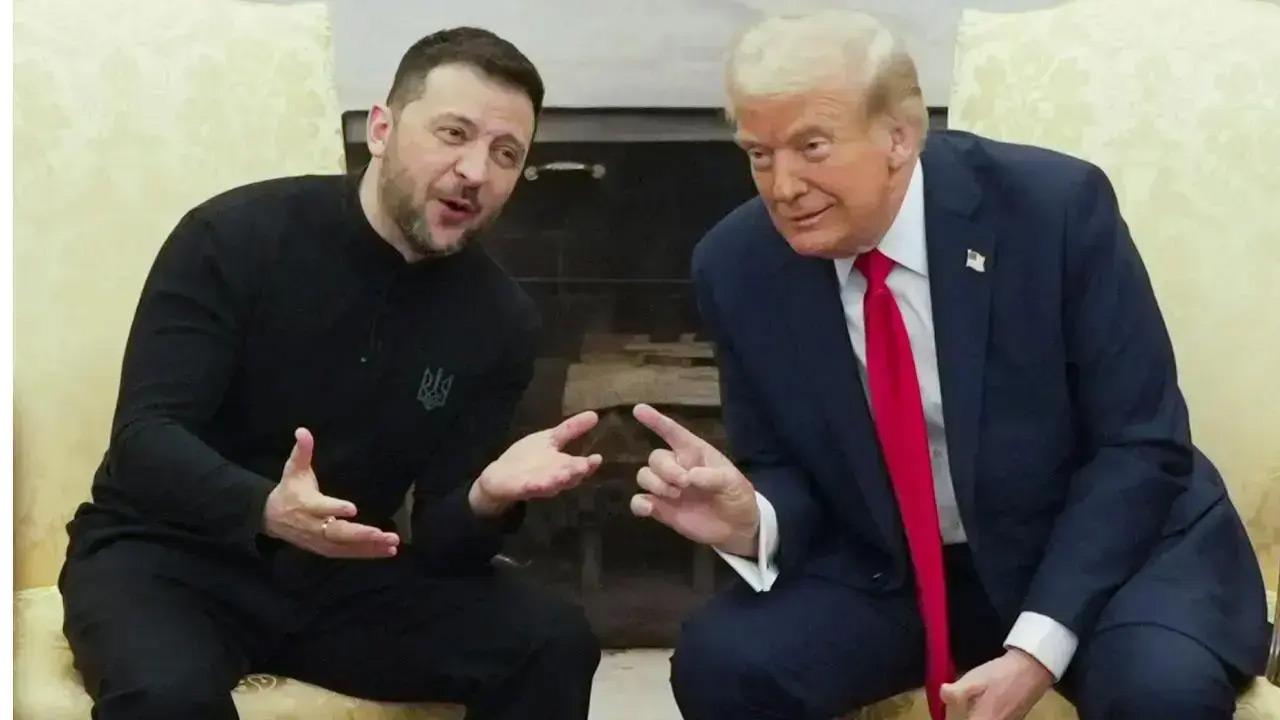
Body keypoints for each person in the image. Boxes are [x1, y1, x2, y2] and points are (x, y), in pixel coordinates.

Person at [629, 10, 1268, 720]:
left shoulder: (1052, 210)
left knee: (1160, 694)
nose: (783, 186)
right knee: (724, 664)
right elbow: (780, 462)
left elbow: (1140, 446)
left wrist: (1036, 649)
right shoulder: (738, 265)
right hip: (897, 567)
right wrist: (756, 518)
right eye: (759, 153)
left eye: (812, 147)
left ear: (899, 137)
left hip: (1103, 551)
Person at [59, 27, 603, 720]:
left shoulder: (500, 318)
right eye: (454, 133)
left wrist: (484, 498)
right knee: (168, 697)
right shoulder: (233, 237)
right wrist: (266, 507)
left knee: (552, 641)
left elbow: (442, 541)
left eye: (506, 154)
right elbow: (145, 441)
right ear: (381, 129)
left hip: (340, 576)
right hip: (168, 560)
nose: (476, 171)